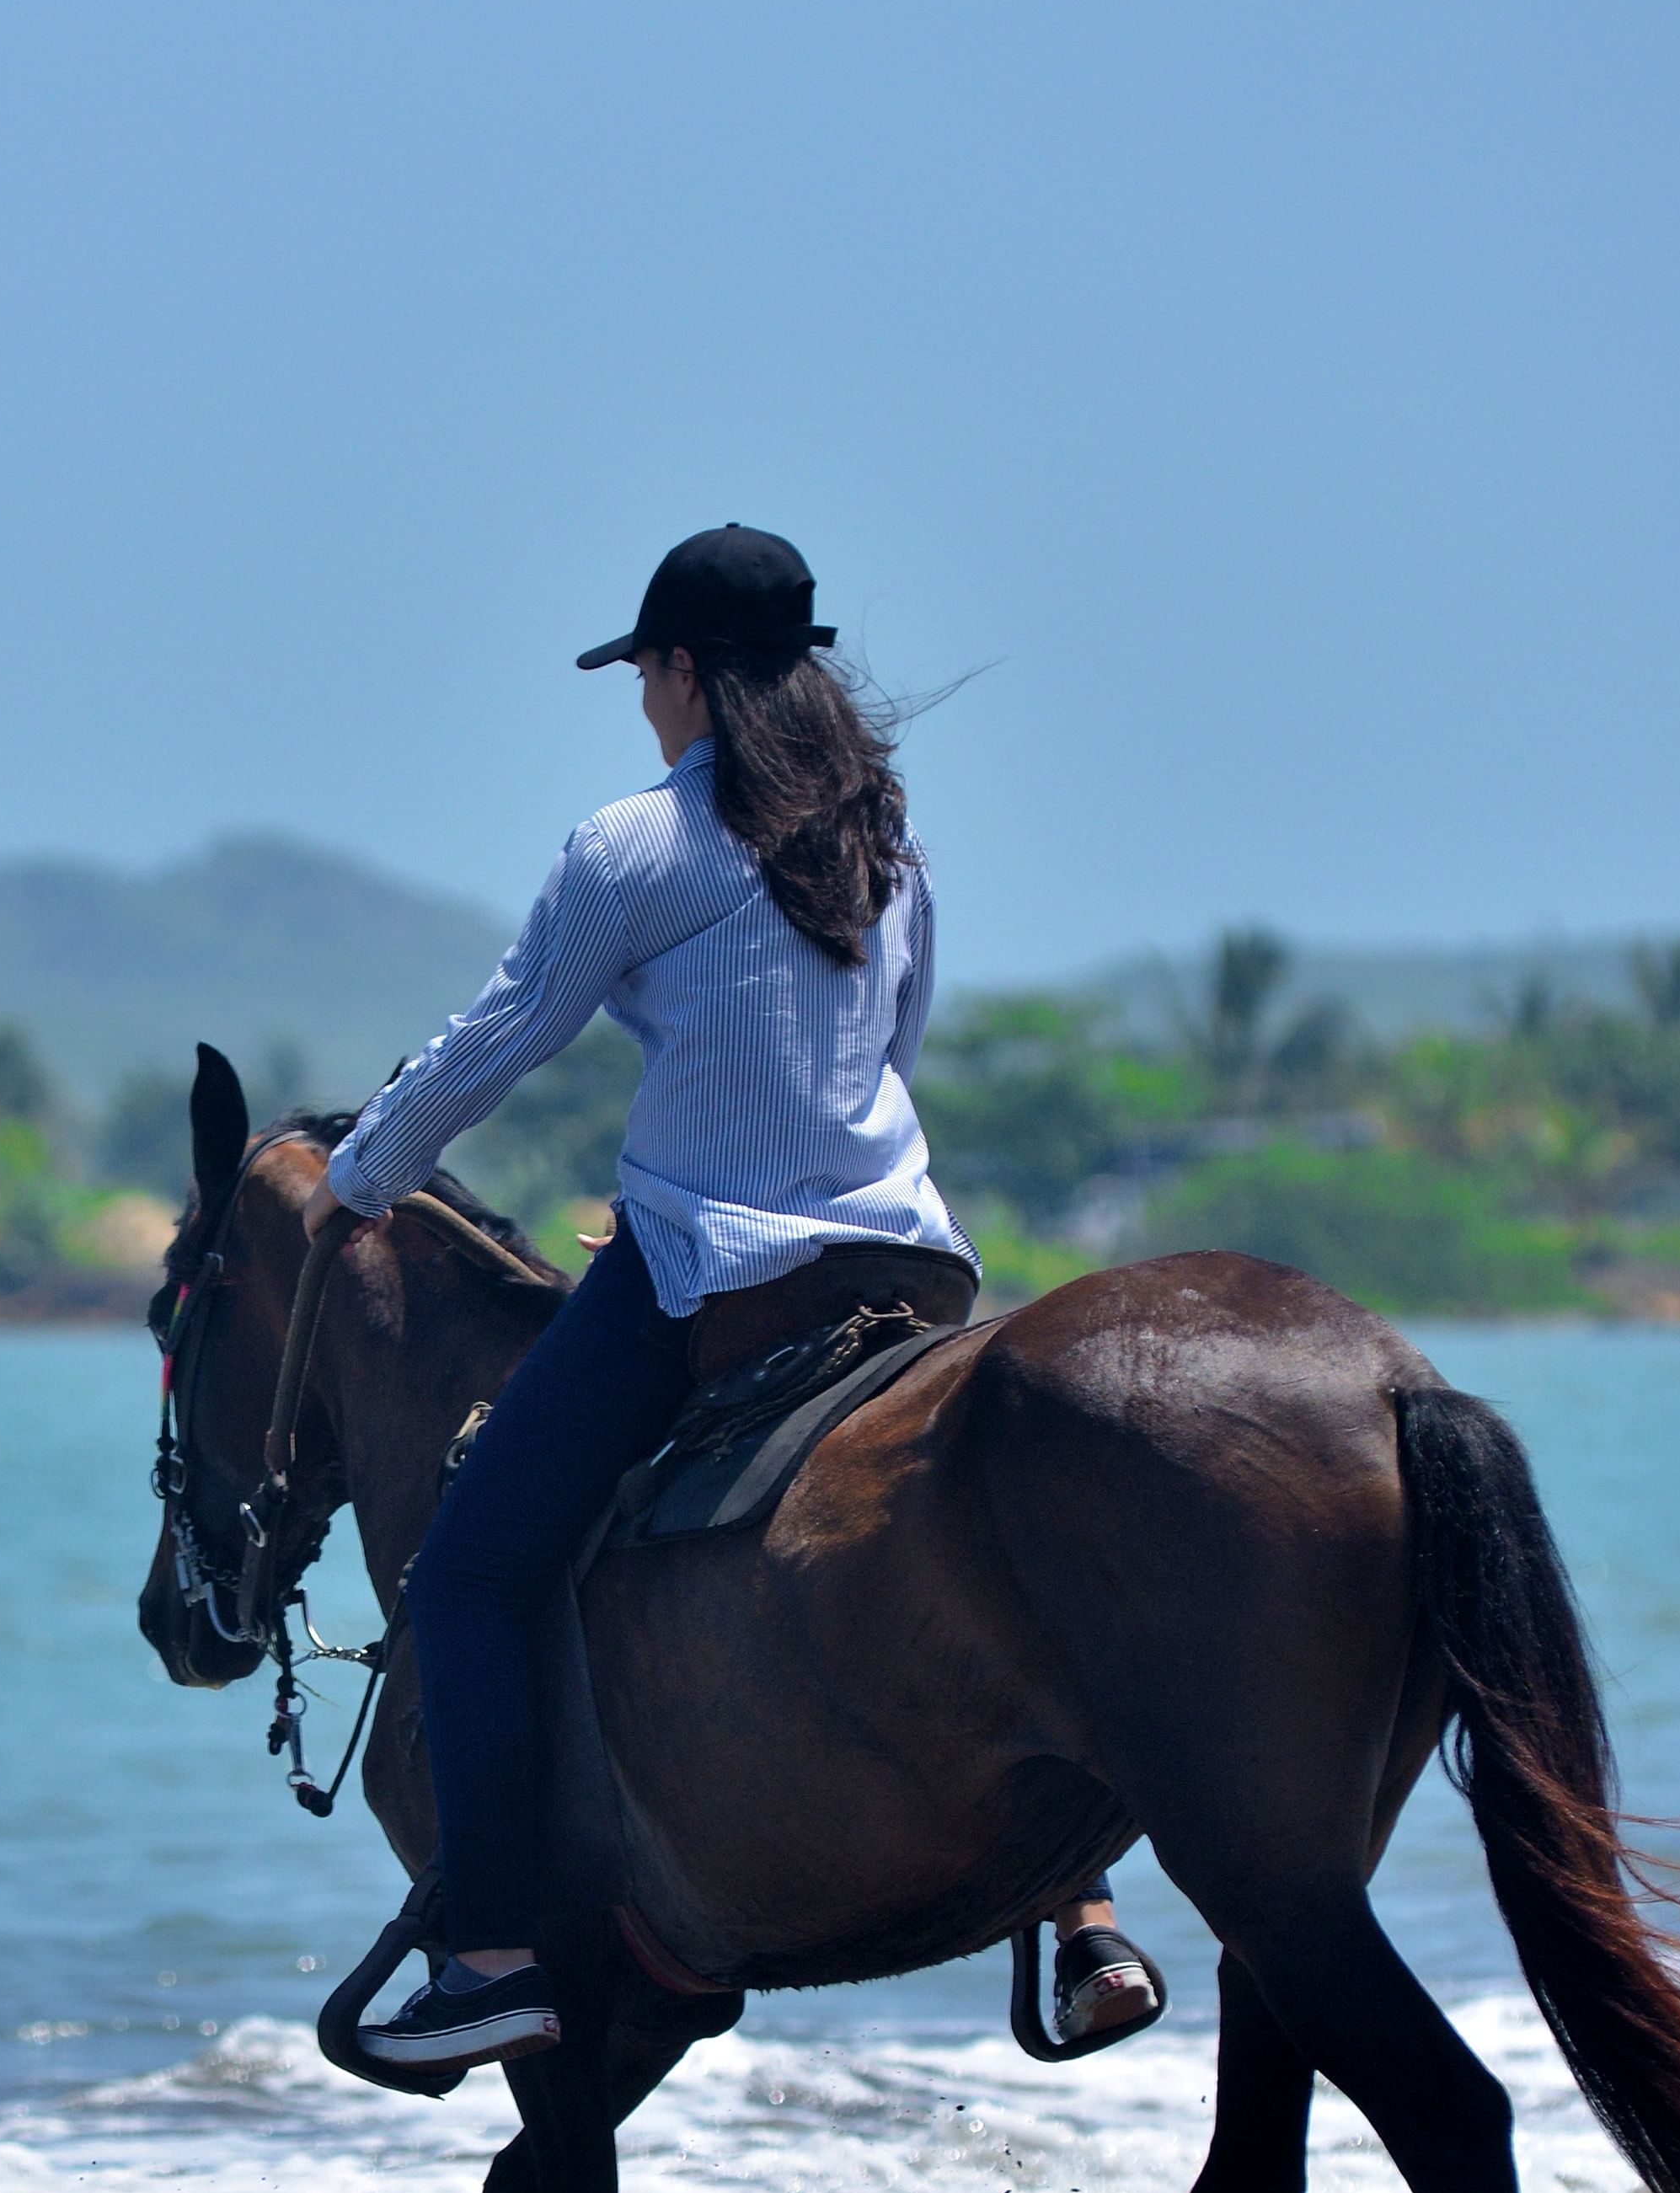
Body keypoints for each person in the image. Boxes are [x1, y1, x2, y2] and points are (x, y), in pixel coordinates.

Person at [317, 522, 1159, 2076]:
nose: (643, 701)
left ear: (685, 671)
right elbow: (892, 1056)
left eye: (645, 672)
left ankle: (493, 1949)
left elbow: (501, 1041)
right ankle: (1089, 1910)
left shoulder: (636, 848)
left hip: (716, 1281)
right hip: (911, 1265)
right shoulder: (890, 843)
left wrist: (358, 1179)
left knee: (472, 1571)